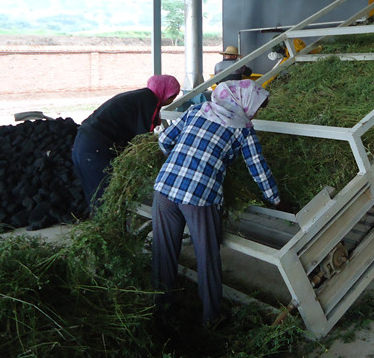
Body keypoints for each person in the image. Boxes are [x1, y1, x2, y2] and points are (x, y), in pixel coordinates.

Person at [151, 79, 281, 326]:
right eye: (255, 108)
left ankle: (161, 309)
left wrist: (180, 160)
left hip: (165, 187)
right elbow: (258, 169)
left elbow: (165, 138)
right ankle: (211, 317)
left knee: (163, 252)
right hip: (199, 196)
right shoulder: (242, 129)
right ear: (243, 102)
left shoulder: (197, 110)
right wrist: (275, 199)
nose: (254, 113)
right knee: (207, 257)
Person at [72, 74, 181, 212]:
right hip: (95, 148)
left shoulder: (140, 97)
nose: (171, 100)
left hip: (83, 143)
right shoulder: (149, 102)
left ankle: (101, 221)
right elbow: (143, 141)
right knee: (105, 195)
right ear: (166, 93)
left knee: (95, 194)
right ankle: (107, 223)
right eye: (172, 96)